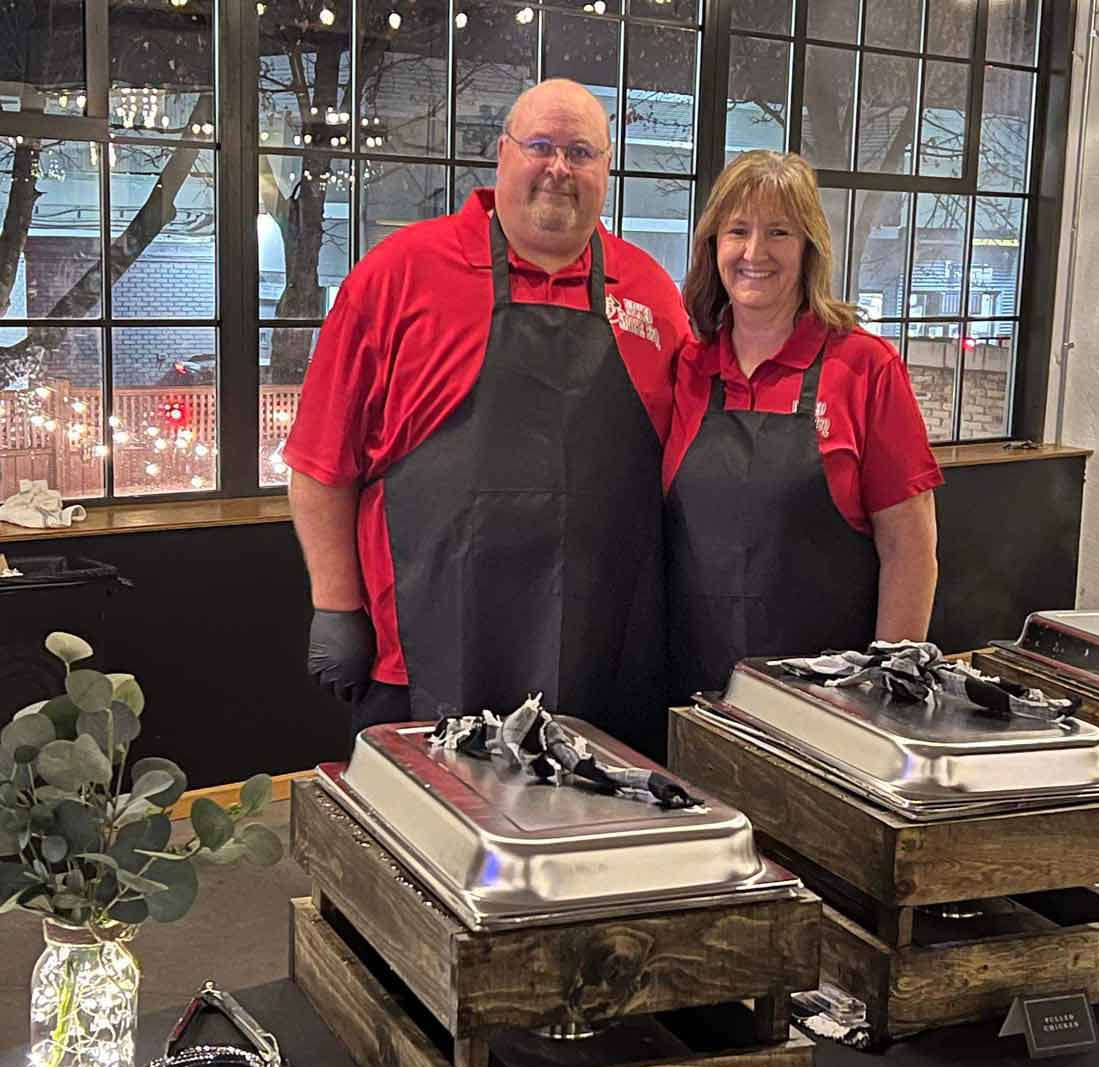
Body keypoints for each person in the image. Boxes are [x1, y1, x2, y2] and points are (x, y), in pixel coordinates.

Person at [284, 79, 689, 757]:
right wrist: (336, 604)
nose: (559, 168)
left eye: (581, 152)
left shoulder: (651, 292)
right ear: (502, 156)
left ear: (606, 171)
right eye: (540, 146)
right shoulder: (399, 275)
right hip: (419, 656)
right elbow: (321, 462)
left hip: (600, 662)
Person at [664, 151, 943, 700]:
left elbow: (910, 551)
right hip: (690, 693)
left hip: (828, 706)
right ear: (712, 246)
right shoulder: (688, 366)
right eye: (737, 231)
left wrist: (888, 688)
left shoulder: (865, 367)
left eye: (779, 232)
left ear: (809, 248)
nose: (754, 252)